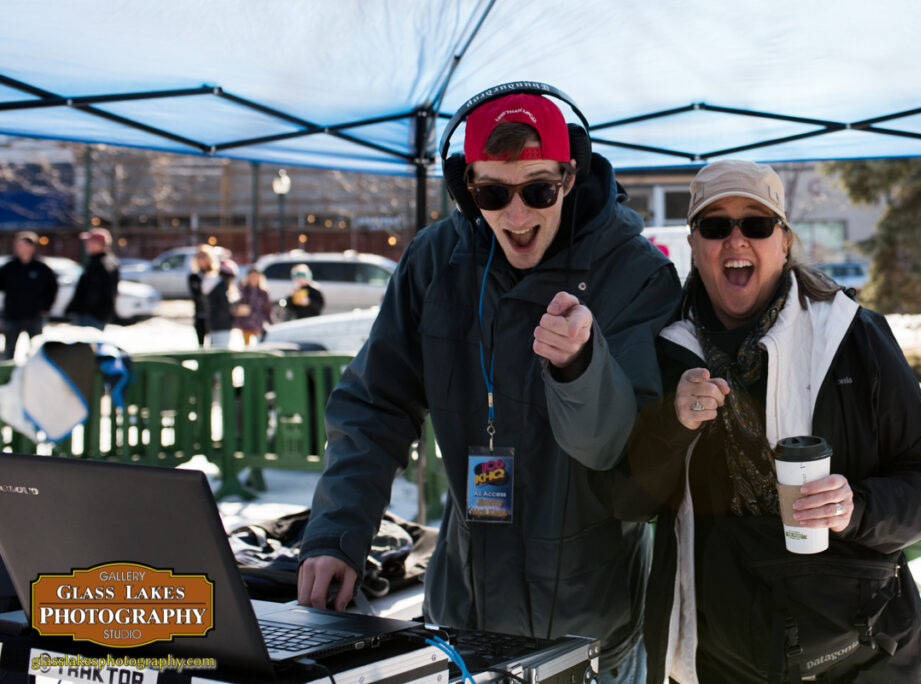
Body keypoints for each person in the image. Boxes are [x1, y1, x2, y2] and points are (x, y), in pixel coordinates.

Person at [298, 85, 682, 682]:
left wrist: (580, 367)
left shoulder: (635, 272)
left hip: (591, 625)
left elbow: (618, 452)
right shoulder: (435, 259)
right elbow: (375, 404)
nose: (517, 214)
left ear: (570, 176)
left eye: (537, 190)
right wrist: (336, 534)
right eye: (493, 194)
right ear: (466, 188)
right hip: (463, 612)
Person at [610, 160, 921, 683]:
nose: (736, 239)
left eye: (756, 223)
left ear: (785, 241)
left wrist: (854, 507)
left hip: (857, 648)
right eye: (715, 225)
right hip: (719, 655)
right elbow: (627, 499)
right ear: (694, 246)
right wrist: (673, 424)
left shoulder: (850, 337)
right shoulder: (666, 352)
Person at [0, 231, 58, 360]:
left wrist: (46, 307)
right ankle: (7, 378)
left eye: (21, 245)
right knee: (9, 351)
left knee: (36, 351)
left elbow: (52, 289)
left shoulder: (42, 268)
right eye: (16, 245)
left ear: (31, 247)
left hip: (35, 315)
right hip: (13, 315)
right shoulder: (9, 267)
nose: (17, 248)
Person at [66, 227, 119, 330]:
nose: (86, 245)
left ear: (98, 243)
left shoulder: (99, 264)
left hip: (91, 316)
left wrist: (80, 309)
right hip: (98, 314)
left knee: (86, 345)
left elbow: (93, 292)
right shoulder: (107, 261)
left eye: (89, 242)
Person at [188, 244, 220, 347]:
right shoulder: (194, 277)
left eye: (203, 257)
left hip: (214, 315)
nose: (201, 260)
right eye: (198, 257)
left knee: (214, 344)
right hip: (200, 314)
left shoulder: (216, 276)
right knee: (201, 344)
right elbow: (196, 294)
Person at [233, 267, 274, 345]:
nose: (253, 279)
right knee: (246, 344)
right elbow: (237, 304)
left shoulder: (263, 292)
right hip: (245, 322)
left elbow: (268, 308)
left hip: (258, 322)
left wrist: (270, 321)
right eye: (251, 276)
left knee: (258, 343)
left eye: (255, 276)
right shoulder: (243, 289)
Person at [207, 259, 239, 348]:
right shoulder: (222, 288)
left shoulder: (215, 285)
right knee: (221, 351)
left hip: (215, 324)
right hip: (222, 325)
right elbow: (225, 305)